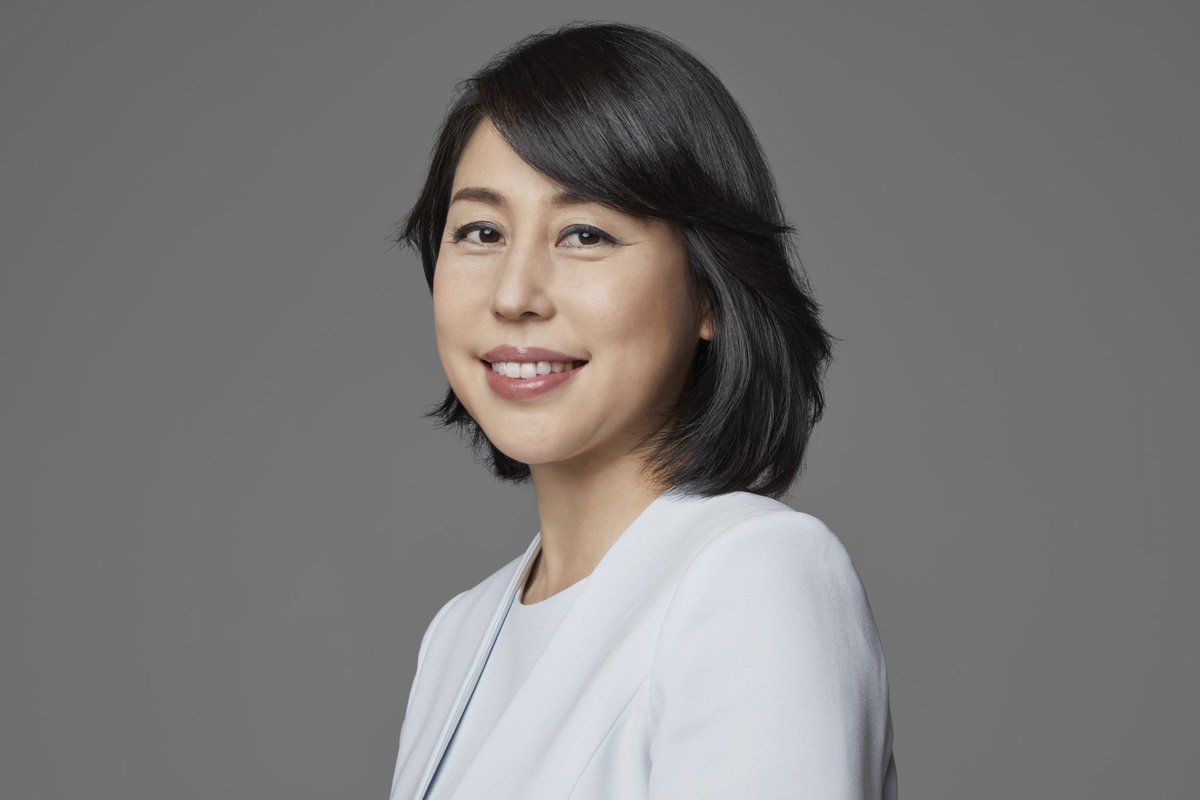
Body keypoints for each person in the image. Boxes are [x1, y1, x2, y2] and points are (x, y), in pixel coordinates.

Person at [387, 20, 897, 800]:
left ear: (709, 292)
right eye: (482, 231)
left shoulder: (752, 577)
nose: (515, 294)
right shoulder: (458, 636)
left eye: (585, 234)